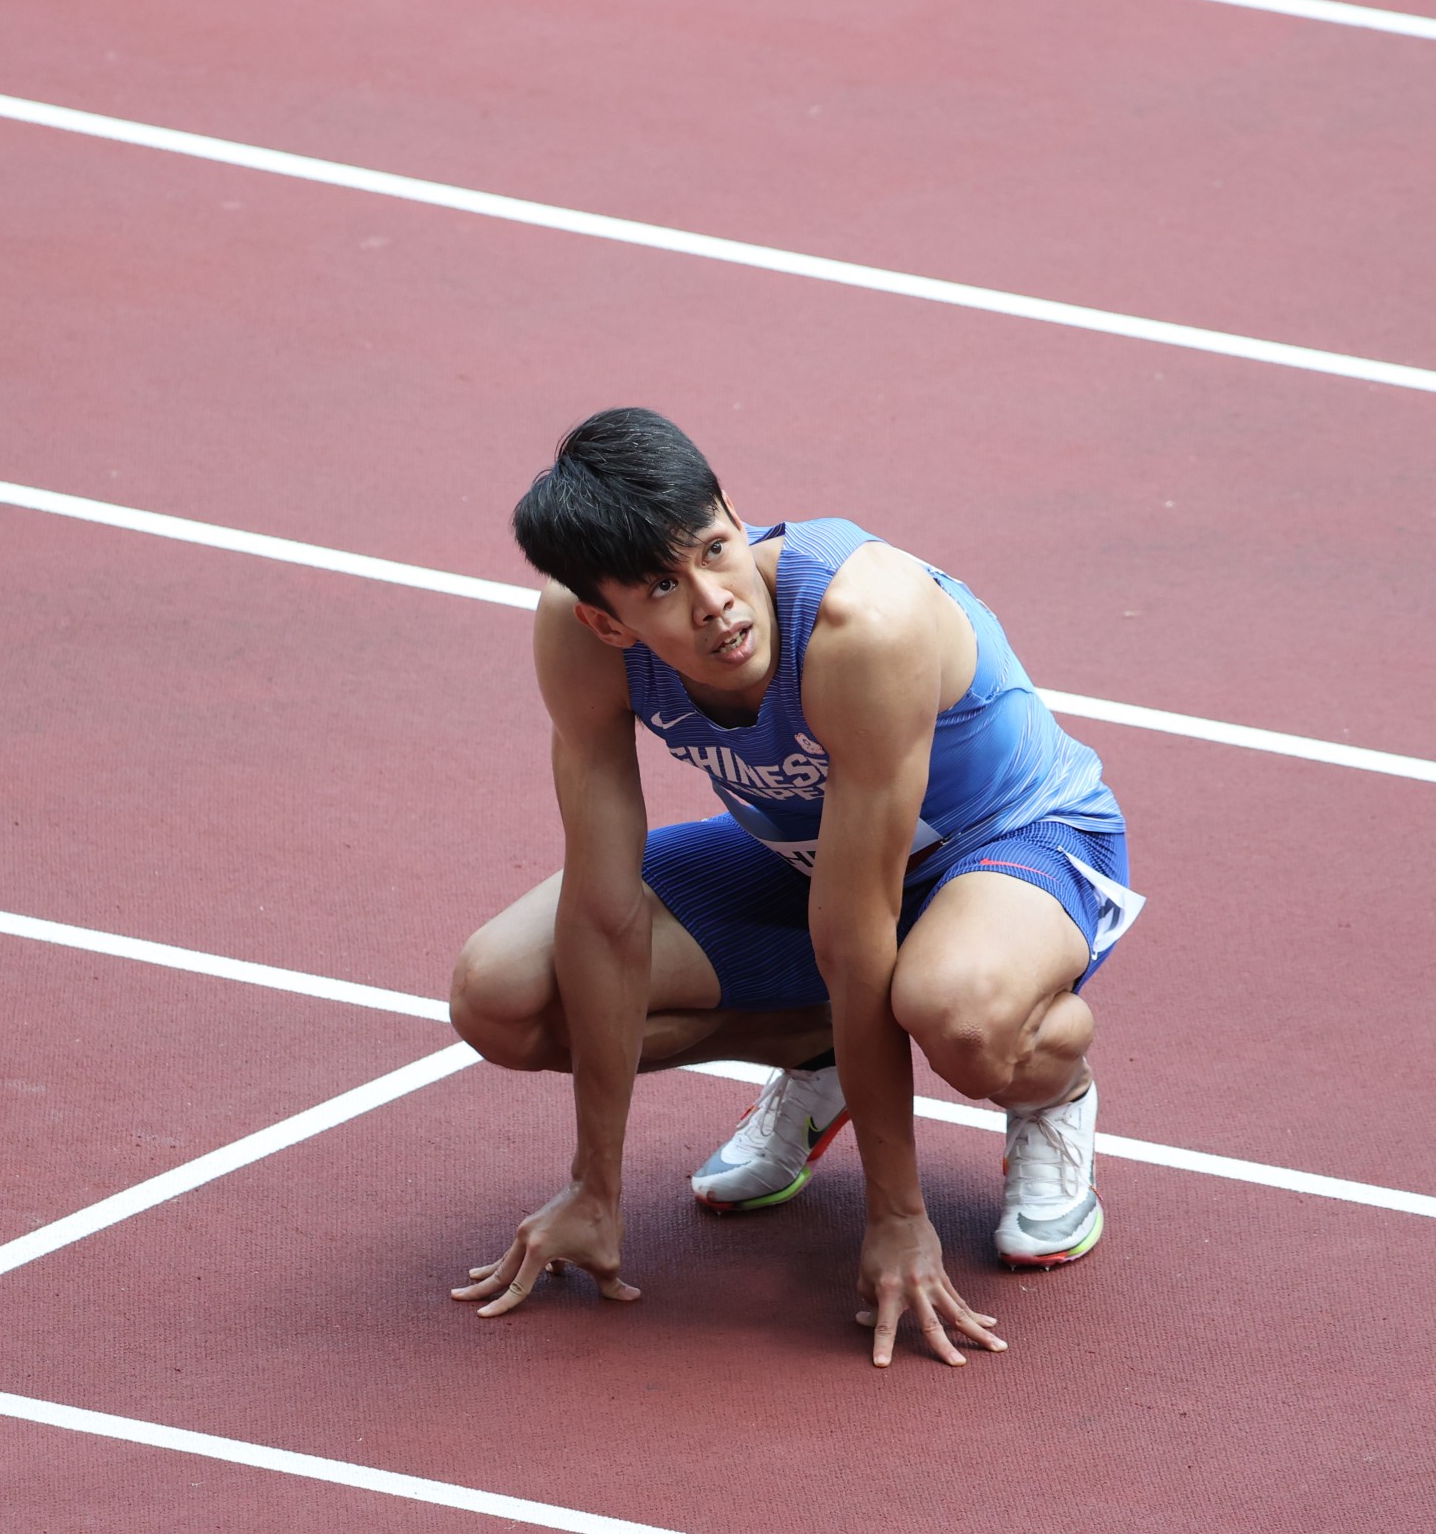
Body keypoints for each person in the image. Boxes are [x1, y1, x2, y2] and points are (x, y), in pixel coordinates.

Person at [449, 407, 1142, 1368]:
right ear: (607, 620)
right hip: (808, 855)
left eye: (713, 549)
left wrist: (896, 1215)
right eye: (661, 588)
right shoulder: (577, 639)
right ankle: (815, 1050)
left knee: (951, 1009)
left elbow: (855, 937)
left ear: (736, 512)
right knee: (502, 998)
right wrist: (593, 1189)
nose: (714, 603)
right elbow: (603, 912)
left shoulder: (864, 623)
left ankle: (1055, 1086)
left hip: (1013, 840)